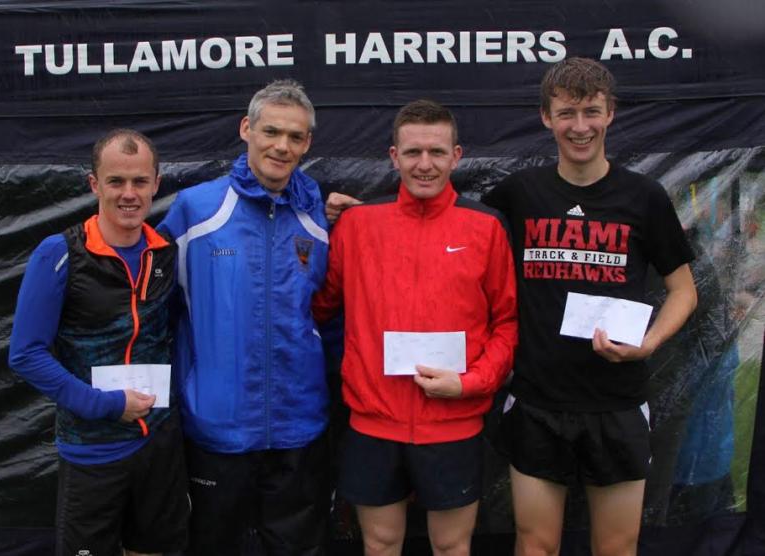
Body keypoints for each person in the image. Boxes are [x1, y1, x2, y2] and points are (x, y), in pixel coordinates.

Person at [483, 58, 697, 556]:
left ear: (610, 113)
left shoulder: (644, 196)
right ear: (546, 117)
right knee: (535, 544)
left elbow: (684, 290)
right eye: (567, 113)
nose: (580, 127)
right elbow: (452, 228)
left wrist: (649, 344)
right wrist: (369, 214)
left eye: (591, 112)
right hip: (538, 401)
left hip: (617, 402)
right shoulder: (520, 193)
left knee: (617, 547)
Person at [313, 99, 518, 556]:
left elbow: (506, 323)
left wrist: (471, 383)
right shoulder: (357, 225)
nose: (425, 164)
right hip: (373, 423)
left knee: (451, 545)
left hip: (454, 424)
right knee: (381, 543)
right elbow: (318, 306)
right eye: (412, 152)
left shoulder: (486, 227)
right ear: (394, 156)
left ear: (457, 156)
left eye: (437, 152)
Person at [158, 79, 330, 555]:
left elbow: (329, 308)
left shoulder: (317, 214)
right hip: (218, 425)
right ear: (246, 130)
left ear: (307, 144)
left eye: (295, 136)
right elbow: (154, 308)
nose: (282, 146)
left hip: (299, 424)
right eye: (271, 131)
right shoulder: (196, 209)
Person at [8, 129, 189, 556]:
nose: (129, 194)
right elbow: (25, 354)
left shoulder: (165, 253)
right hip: (93, 449)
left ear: (156, 183)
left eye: (139, 181)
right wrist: (102, 404)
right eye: (116, 181)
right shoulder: (59, 253)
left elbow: (173, 332)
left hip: (159, 444)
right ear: (94, 184)